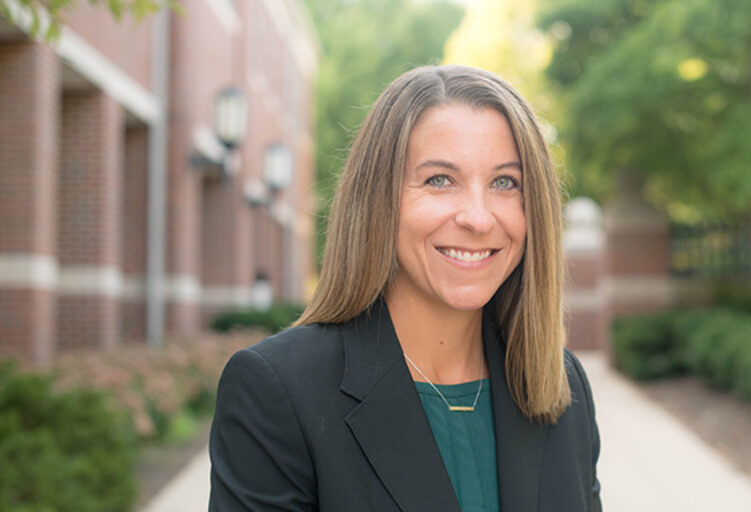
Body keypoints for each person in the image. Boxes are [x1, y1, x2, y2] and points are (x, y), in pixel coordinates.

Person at [209, 65, 602, 512]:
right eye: (440, 180)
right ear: (378, 200)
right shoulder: (277, 392)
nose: (478, 217)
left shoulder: (560, 385)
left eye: (504, 183)